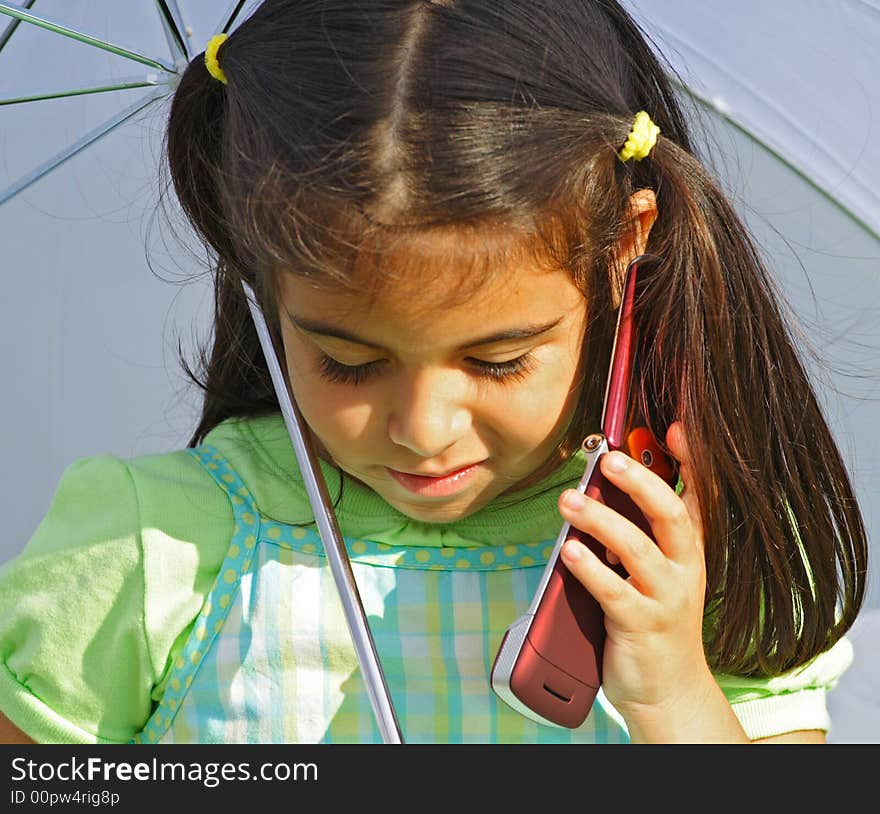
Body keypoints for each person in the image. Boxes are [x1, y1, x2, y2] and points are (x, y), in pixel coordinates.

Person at [0, 0, 867, 745]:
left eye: (499, 360)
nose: (423, 427)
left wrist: (673, 691)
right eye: (346, 360)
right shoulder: (148, 545)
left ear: (624, 247)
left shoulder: (690, 552)